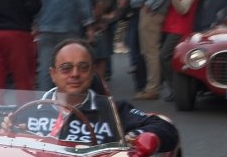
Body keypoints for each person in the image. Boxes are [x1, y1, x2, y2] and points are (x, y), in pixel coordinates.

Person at [14, 38, 178, 150]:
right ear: (53, 74)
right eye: (66, 68)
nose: (75, 74)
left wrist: (133, 137)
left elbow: (166, 129)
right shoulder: (28, 111)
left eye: (83, 67)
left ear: (93, 72)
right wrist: (10, 130)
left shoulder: (112, 111)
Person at [35, 0, 95, 92]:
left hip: (47, 29)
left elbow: (37, 3)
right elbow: (84, 5)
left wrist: (35, 24)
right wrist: (89, 27)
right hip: (70, 30)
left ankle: (45, 101)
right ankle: (69, 100)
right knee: (69, 67)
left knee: (46, 68)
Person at [160, 0, 200, 101]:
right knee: (168, 57)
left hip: (179, 29)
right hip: (173, 27)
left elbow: (183, 9)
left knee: (164, 56)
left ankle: (174, 89)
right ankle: (174, 89)